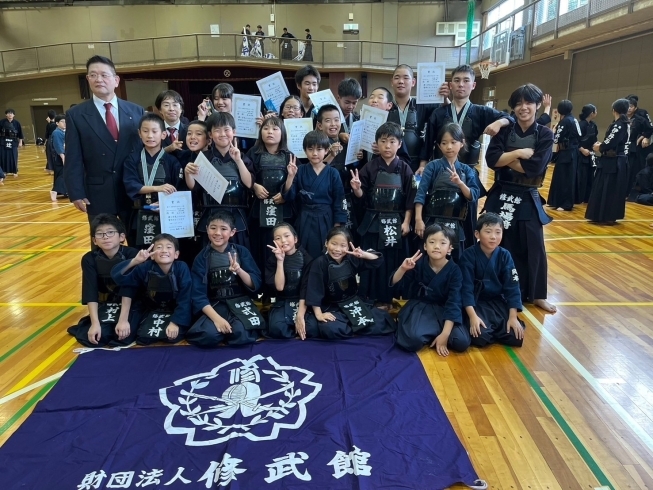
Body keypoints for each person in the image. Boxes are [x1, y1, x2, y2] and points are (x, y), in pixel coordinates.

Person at [422, 64, 513, 246]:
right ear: (450, 85)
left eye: (466, 81)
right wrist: (423, 164)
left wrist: (499, 123)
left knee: (468, 221)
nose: (461, 85)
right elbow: (428, 142)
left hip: (468, 175)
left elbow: (510, 118)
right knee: (437, 217)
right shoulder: (439, 113)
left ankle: (465, 259)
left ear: (473, 85)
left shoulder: (481, 111)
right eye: (456, 80)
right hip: (441, 173)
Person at [484, 83, 556, 314]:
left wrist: (504, 159)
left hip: (527, 195)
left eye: (528, 103)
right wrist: (516, 154)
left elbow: (535, 168)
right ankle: (495, 291)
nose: (523, 107)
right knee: (497, 244)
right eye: (518, 104)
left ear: (537, 106)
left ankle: (536, 294)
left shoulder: (545, 134)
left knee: (534, 246)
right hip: (501, 193)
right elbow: (490, 159)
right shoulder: (505, 131)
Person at [64, 55, 145, 232]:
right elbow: (73, 157)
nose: (98, 79)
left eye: (104, 75)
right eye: (93, 75)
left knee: (136, 242)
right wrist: (76, 192)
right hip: (97, 192)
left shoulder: (136, 111)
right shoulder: (76, 115)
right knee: (103, 245)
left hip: (131, 190)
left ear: (116, 80)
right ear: (87, 79)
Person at [352, 122, 416, 309]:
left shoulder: (405, 169)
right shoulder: (369, 168)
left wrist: (406, 222)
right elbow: (361, 199)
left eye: (392, 141)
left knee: (391, 261)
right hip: (373, 222)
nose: (387, 146)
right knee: (372, 258)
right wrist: (356, 189)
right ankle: (370, 297)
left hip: (396, 223)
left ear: (399, 143)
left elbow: (411, 198)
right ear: (377, 144)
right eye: (383, 141)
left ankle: (389, 297)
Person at [186, 210, 264, 347]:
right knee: (207, 336)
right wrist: (217, 319)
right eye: (213, 228)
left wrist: (239, 271)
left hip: (240, 303)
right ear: (206, 229)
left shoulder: (241, 252)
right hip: (215, 305)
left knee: (241, 335)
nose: (217, 233)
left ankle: (229, 330)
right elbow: (198, 295)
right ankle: (220, 329)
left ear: (232, 232)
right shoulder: (201, 257)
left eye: (223, 229)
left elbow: (255, 283)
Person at [303, 227, 396, 339]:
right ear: (326, 243)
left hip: (353, 303)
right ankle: (357, 328)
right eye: (334, 244)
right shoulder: (319, 263)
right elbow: (314, 290)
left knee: (383, 320)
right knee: (330, 329)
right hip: (332, 306)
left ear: (348, 247)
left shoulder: (351, 258)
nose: (337, 249)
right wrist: (319, 314)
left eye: (343, 245)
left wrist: (363, 254)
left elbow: (377, 261)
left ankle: (353, 327)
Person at [391, 225, 470, 355]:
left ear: (450, 248)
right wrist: (403, 269)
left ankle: (434, 334)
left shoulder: (455, 271)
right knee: (412, 341)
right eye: (432, 242)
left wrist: (445, 335)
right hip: (421, 307)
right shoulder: (417, 264)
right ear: (425, 246)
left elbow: (454, 302)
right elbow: (396, 285)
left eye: (443, 243)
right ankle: (428, 333)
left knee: (461, 342)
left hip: (444, 309)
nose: (437, 246)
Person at [67, 214, 139, 348]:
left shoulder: (132, 255)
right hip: (106, 303)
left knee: (123, 336)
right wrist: (95, 323)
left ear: (122, 237)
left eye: (110, 232)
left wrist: (123, 320)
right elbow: (90, 291)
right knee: (99, 336)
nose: (105, 237)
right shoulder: (89, 259)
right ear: (94, 240)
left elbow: (129, 289)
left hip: (130, 304)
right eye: (100, 234)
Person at [184, 112, 254, 247]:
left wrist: (238, 161)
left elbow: (249, 184)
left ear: (233, 132)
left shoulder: (243, 157)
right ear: (210, 134)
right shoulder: (204, 158)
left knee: (239, 251)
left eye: (226, 130)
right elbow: (194, 187)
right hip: (211, 212)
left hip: (237, 214)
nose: (222, 134)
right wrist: (188, 173)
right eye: (217, 130)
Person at [414, 123, 480, 262]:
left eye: (453, 142)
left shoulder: (467, 170)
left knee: (456, 261)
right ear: (439, 146)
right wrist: (418, 220)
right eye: (444, 143)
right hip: (433, 221)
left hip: (457, 224)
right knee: (431, 258)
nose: (449, 147)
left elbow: (473, 195)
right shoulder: (433, 166)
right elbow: (421, 193)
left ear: (462, 143)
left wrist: (460, 183)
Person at [111, 233, 192, 345]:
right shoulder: (145, 267)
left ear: (176, 254)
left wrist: (175, 323)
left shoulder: (181, 267)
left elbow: (185, 298)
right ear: (152, 255)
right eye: (159, 247)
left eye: (169, 247)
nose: (164, 250)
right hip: (150, 309)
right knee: (127, 338)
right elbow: (119, 278)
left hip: (174, 311)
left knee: (172, 337)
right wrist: (135, 261)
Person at [460, 212, 526, 348]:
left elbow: (512, 287)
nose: (493, 237)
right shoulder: (468, 255)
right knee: (480, 337)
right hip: (477, 303)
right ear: (477, 234)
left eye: (498, 232)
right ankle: (489, 328)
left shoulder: (504, 255)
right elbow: (466, 288)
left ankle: (495, 328)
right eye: (488, 232)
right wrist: (472, 316)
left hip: (498, 302)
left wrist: (513, 317)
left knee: (515, 338)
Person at [123, 113, 181, 247]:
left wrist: (165, 204)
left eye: (154, 131)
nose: (150, 136)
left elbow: (178, 189)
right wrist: (157, 188)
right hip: (138, 215)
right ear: (139, 133)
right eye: (145, 131)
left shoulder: (172, 162)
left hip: (166, 216)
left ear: (163, 134)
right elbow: (131, 185)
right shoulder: (132, 159)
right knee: (140, 255)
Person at [285, 129, 345, 258]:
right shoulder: (300, 170)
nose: (315, 153)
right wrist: (290, 176)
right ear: (305, 150)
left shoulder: (333, 173)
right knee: (304, 255)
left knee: (325, 255)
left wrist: (337, 226)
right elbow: (289, 197)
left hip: (326, 218)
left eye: (319, 149)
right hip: (305, 217)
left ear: (326, 150)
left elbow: (339, 200)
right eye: (310, 149)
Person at [246, 116, 297, 267]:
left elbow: (296, 182)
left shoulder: (289, 156)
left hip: (283, 210)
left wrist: (285, 195)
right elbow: (244, 175)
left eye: (275, 129)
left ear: (282, 133)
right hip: (259, 209)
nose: (270, 132)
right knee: (261, 248)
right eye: (266, 128)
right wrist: (254, 185)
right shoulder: (253, 153)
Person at [385, 65, 441, 174]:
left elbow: (444, 113)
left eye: (406, 78)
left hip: (416, 165)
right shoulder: (385, 107)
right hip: (390, 163)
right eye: (397, 78)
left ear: (413, 82)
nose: (401, 81)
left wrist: (444, 97)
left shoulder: (423, 105)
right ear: (392, 82)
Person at [585, 98, 630, 225]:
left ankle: (606, 215)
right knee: (607, 188)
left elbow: (611, 142)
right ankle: (601, 215)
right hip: (615, 161)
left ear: (614, 110)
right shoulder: (623, 123)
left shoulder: (619, 124)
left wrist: (600, 146)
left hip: (613, 162)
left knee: (608, 188)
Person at [265, 222, 312, 339]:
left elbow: (307, 288)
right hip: (283, 301)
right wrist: (280, 261)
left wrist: (300, 316)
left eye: (287, 236)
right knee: (277, 329)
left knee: (313, 328)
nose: (283, 240)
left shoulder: (307, 258)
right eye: (278, 238)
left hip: (303, 301)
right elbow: (279, 287)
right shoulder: (272, 260)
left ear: (295, 239)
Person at [548, 99, 581, 211]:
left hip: (567, 153)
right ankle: (556, 201)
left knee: (565, 178)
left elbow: (557, 138)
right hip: (570, 152)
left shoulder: (565, 121)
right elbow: (579, 135)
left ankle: (565, 203)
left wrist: (552, 132)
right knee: (562, 177)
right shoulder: (573, 119)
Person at [576, 104, 598, 204]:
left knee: (590, 176)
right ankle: (578, 198)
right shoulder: (581, 125)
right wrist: (582, 149)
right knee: (581, 176)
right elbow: (575, 141)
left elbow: (594, 139)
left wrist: (597, 146)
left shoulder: (593, 125)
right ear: (591, 113)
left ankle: (587, 198)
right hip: (580, 154)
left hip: (590, 154)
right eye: (595, 111)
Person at [155, 90, 187, 154]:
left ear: (181, 109)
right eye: (166, 105)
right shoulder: (155, 132)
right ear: (160, 110)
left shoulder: (189, 130)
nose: (171, 109)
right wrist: (168, 149)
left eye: (175, 105)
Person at [336, 78, 362, 142]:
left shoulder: (358, 119)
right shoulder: (330, 118)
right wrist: (339, 136)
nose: (350, 107)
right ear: (339, 98)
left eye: (354, 103)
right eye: (347, 102)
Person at [0, 109, 24, 177]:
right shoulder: (1, 122)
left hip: (13, 141)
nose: (10, 115)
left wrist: (20, 142)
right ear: (6, 115)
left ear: (14, 115)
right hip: (3, 141)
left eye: (11, 113)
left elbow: (20, 133)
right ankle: (4, 171)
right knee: (3, 156)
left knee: (14, 156)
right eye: (8, 113)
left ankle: (14, 171)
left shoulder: (17, 123)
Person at [49, 114, 67, 201]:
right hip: (60, 158)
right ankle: (55, 191)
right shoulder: (57, 133)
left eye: (65, 121)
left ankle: (64, 191)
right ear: (57, 123)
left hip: (65, 156)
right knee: (63, 175)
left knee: (63, 174)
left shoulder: (64, 131)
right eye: (62, 122)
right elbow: (58, 146)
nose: (64, 123)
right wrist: (63, 157)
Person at [44, 109, 57, 175]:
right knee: (53, 155)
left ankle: (50, 168)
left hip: (50, 140)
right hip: (53, 140)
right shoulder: (55, 124)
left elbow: (46, 135)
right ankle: (51, 168)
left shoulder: (49, 125)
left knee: (50, 155)